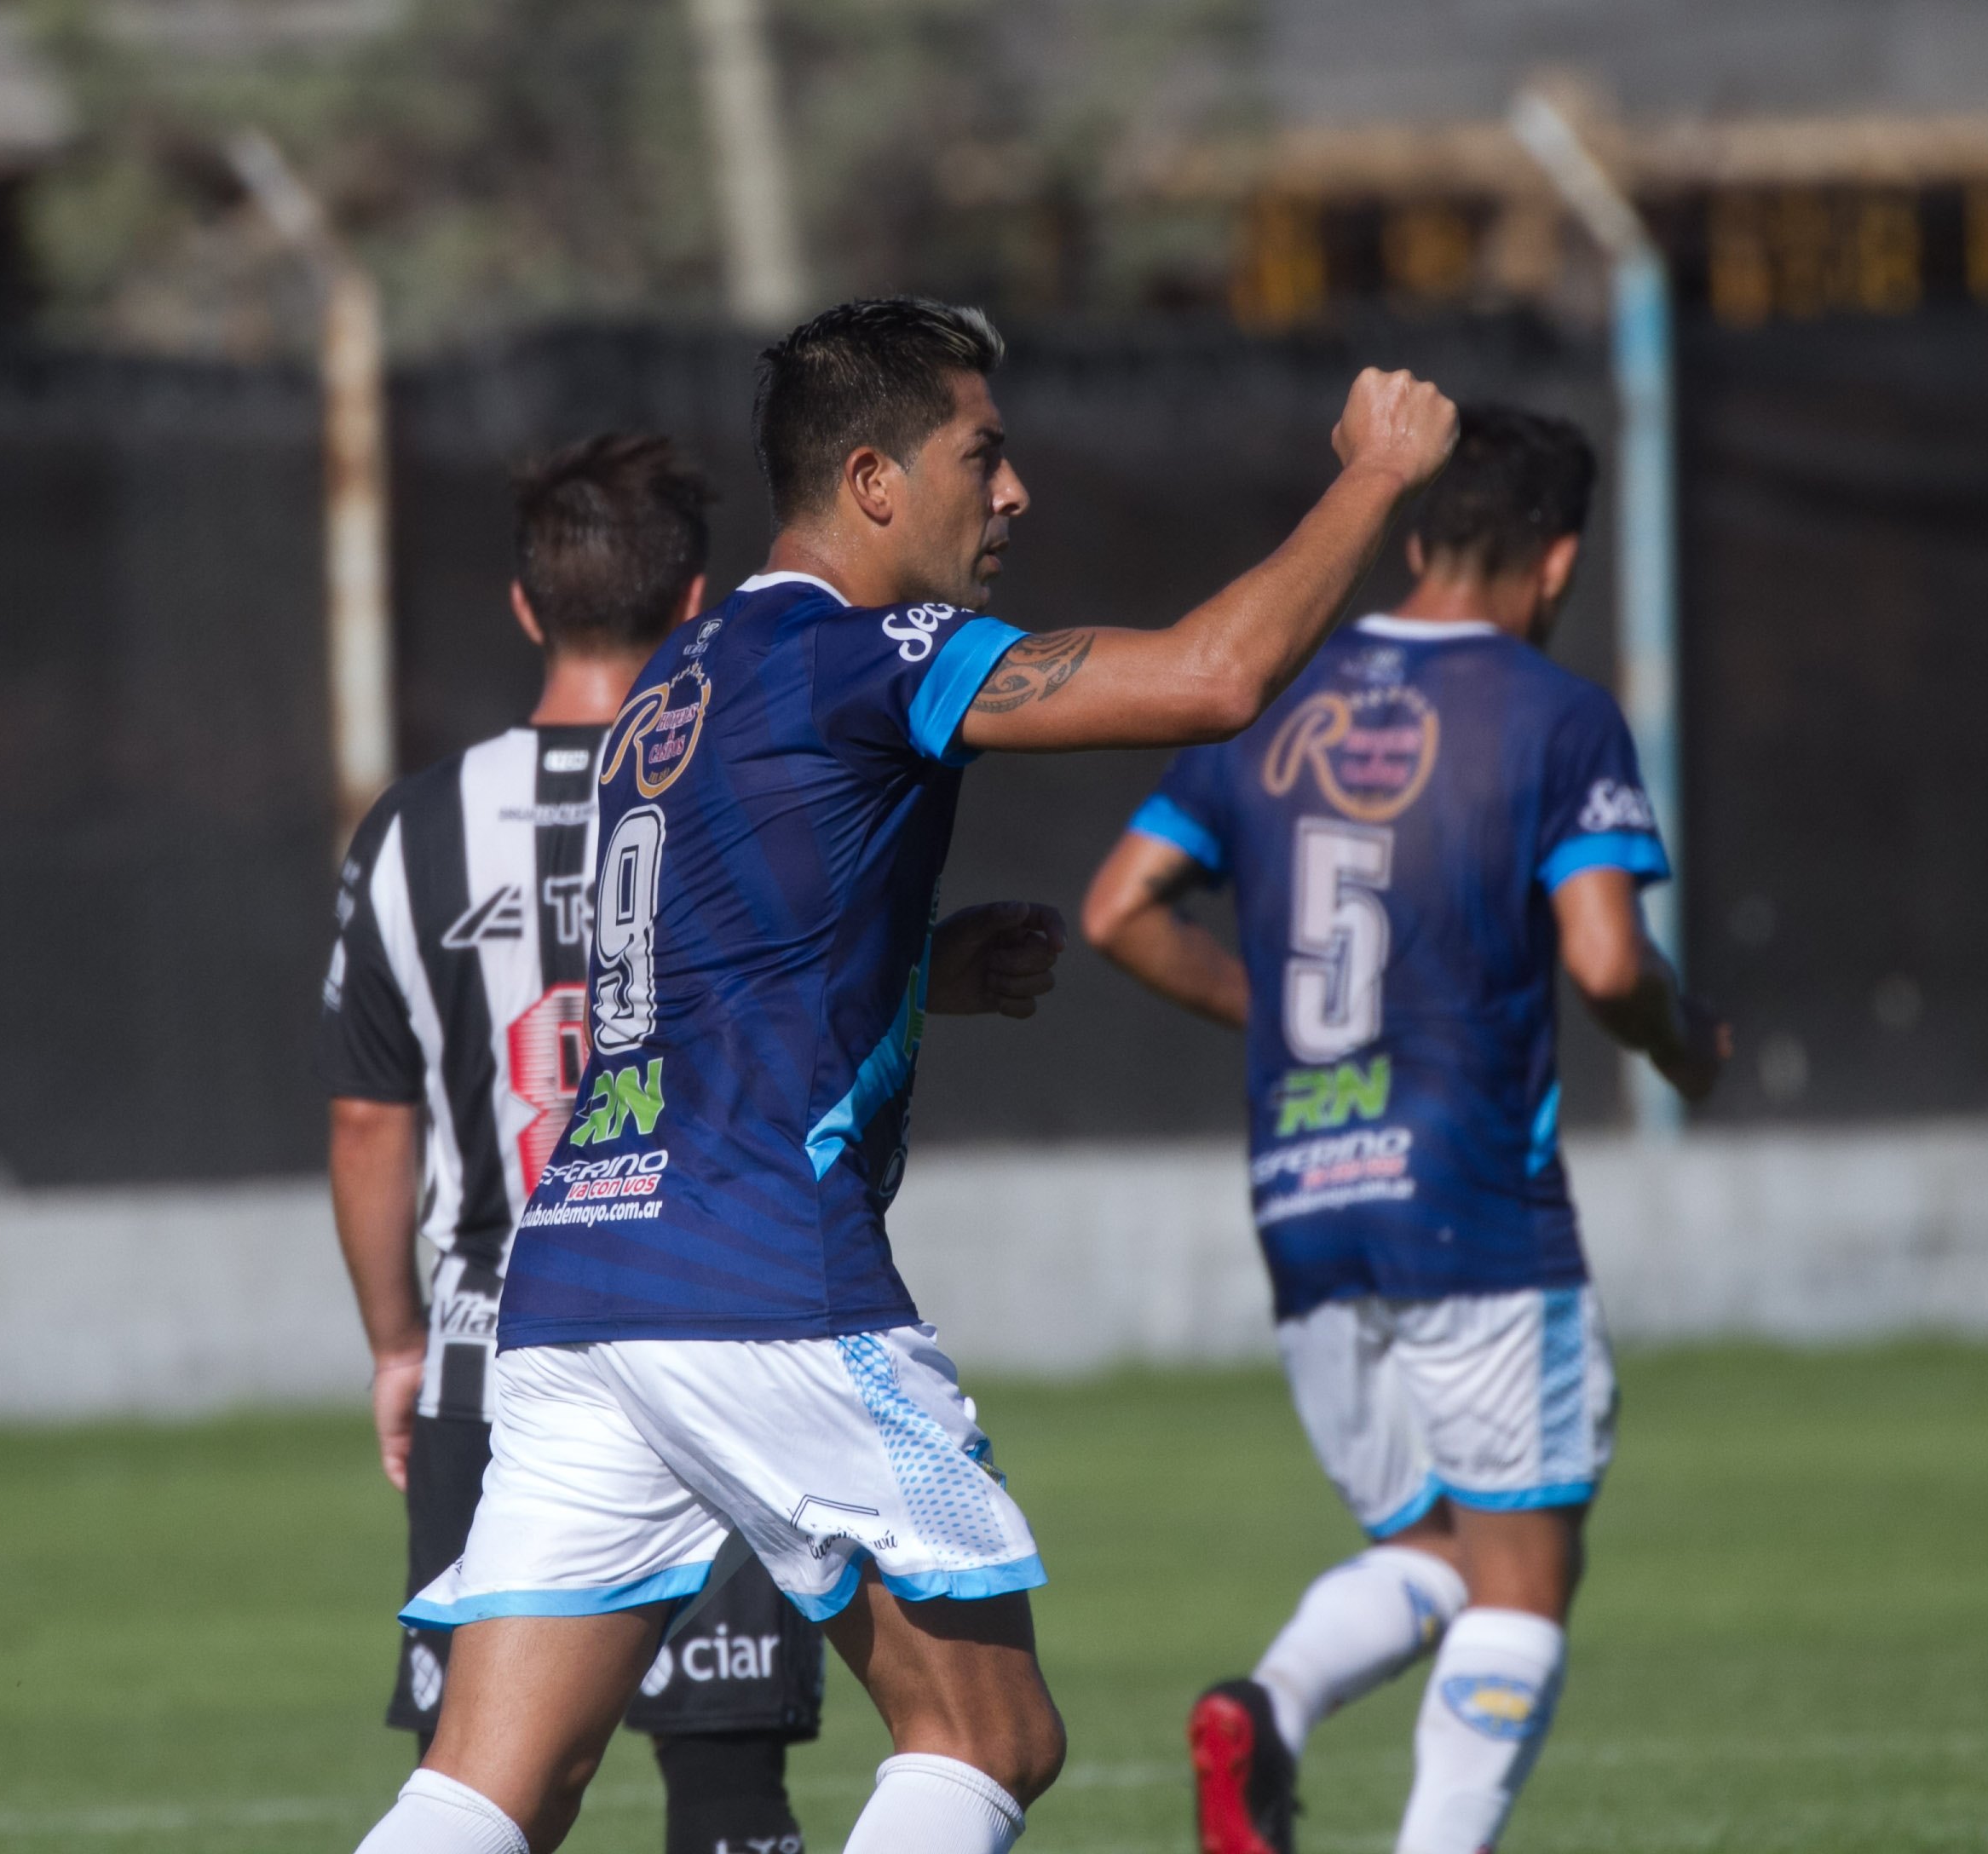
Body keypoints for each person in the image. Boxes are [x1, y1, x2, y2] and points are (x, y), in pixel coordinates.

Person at [348, 297, 1459, 1854]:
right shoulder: (859, 653)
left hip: (583, 1271)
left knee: (489, 1785)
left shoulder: (682, 678)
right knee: (989, 1730)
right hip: (755, 1272)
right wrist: (1378, 475)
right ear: (874, 481)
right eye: (983, 455)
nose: (1015, 496)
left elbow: (687, 982)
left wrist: (918, 973)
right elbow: (1213, 679)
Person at [1077, 404, 1730, 1854]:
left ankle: (1270, 1706)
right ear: (1558, 564)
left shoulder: (1282, 696)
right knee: (1523, 1580)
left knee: (1432, 1551)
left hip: (1307, 1195)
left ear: (1417, 534)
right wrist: (1690, 1047)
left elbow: (1117, 908)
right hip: (1473, 1198)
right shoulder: (1551, 715)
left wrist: (1295, 1024)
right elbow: (1612, 961)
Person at [320, 434, 827, 1854]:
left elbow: (370, 1115)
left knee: (485, 1783)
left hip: (496, 1346)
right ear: (700, 601)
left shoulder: (414, 832)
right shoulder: (744, 794)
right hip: (715, 1321)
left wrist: (395, 1345)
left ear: (526, 606)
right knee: (731, 1785)